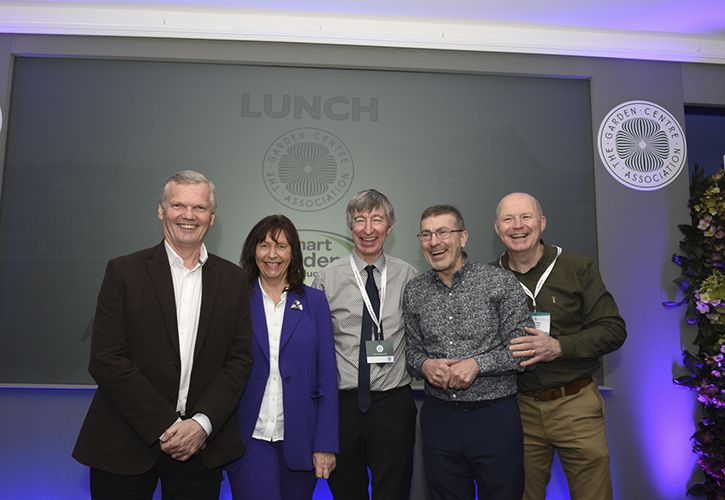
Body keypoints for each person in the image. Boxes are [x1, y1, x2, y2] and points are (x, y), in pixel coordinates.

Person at [73, 170, 253, 499]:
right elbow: (106, 359)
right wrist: (165, 425)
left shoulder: (234, 280)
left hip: (200, 450)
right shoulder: (123, 272)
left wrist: (201, 424)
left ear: (212, 217)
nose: (188, 216)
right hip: (123, 443)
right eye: (178, 205)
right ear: (161, 210)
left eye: (199, 208)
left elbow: (239, 361)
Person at [494, 192, 627, 500]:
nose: (518, 226)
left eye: (526, 217)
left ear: (542, 223)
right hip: (517, 408)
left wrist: (559, 347)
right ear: (497, 228)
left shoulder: (577, 268)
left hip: (575, 402)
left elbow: (613, 330)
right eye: (508, 219)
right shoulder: (489, 278)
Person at [403, 204, 531, 500]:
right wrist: (424, 365)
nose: (434, 241)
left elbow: (522, 350)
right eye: (426, 234)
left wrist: (477, 364)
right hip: (440, 419)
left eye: (443, 232)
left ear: (463, 238)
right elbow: (412, 351)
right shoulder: (414, 291)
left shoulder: (499, 282)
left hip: (494, 416)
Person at [313, 189, 418, 500]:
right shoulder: (327, 278)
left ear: (391, 226)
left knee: (394, 490)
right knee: (346, 491)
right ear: (350, 226)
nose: (368, 229)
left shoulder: (408, 275)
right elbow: (317, 347)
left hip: (393, 403)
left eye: (377, 220)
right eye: (360, 220)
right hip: (342, 405)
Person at [226, 215, 338, 500]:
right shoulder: (236, 299)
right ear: (253, 251)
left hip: (301, 440)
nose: (272, 255)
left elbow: (326, 375)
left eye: (281, 246)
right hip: (250, 439)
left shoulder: (314, 302)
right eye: (264, 245)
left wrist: (325, 444)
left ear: (294, 253)